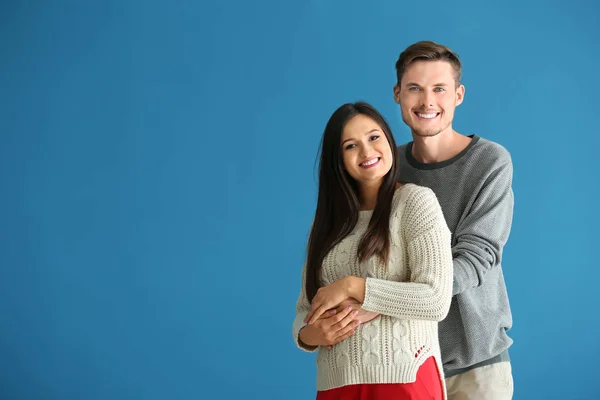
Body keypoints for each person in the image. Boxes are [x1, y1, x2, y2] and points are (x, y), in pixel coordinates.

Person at [292, 101, 454, 399]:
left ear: (389, 139)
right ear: (338, 159)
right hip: (336, 385)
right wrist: (311, 334)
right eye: (351, 145)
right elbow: (305, 308)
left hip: (405, 379)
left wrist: (353, 287)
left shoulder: (415, 203)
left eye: (374, 137)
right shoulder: (326, 222)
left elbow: (436, 299)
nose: (367, 152)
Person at [392, 40, 515, 399]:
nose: (427, 102)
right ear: (398, 94)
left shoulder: (490, 161)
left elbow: (477, 259)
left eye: (439, 89)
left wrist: (379, 297)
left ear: (458, 95)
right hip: (403, 362)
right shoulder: (387, 166)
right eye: (415, 88)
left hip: (475, 367)